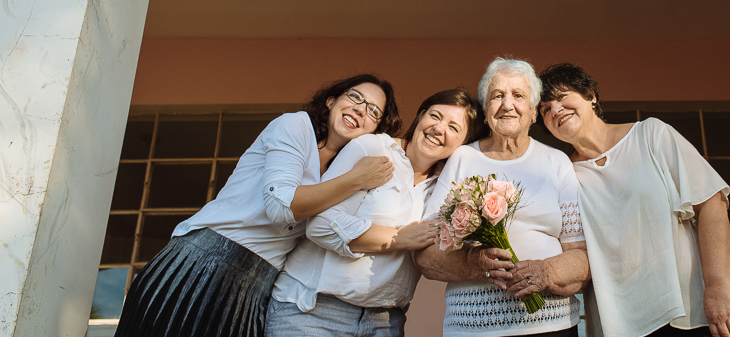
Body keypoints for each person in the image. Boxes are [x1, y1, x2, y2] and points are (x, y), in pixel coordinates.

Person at [114, 74, 402, 337]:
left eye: (374, 111)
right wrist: (356, 179)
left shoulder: (343, 169)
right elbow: (281, 207)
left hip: (255, 288)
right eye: (354, 97)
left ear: (376, 130)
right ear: (331, 101)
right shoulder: (295, 126)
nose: (361, 109)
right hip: (204, 262)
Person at [537, 63, 730, 337]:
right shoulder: (564, 175)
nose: (555, 110)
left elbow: (711, 203)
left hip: (687, 313)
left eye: (562, 97)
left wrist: (718, 287)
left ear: (591, 96)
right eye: (545, 109)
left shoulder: (651, 135)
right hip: (620, 325)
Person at [264, 88, 485, 337]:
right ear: (420, 116)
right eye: (434, 116)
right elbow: (320, 225)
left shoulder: (447, 188)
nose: (438, 128)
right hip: (313, 311)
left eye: (454, 128)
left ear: (464, 144)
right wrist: (398, 238)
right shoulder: (374, 147)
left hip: (385, 320)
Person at [415, 58, 589, 337]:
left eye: (518, 95)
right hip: (473, 328)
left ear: (533, 112)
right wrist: (473, 262)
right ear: (485, 112)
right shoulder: (462, 158)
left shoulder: (557, 162)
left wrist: (546, 272)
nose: (507, 104)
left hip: (550, 325)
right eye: (497, 96)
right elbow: (425, 254)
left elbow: (581, 256)